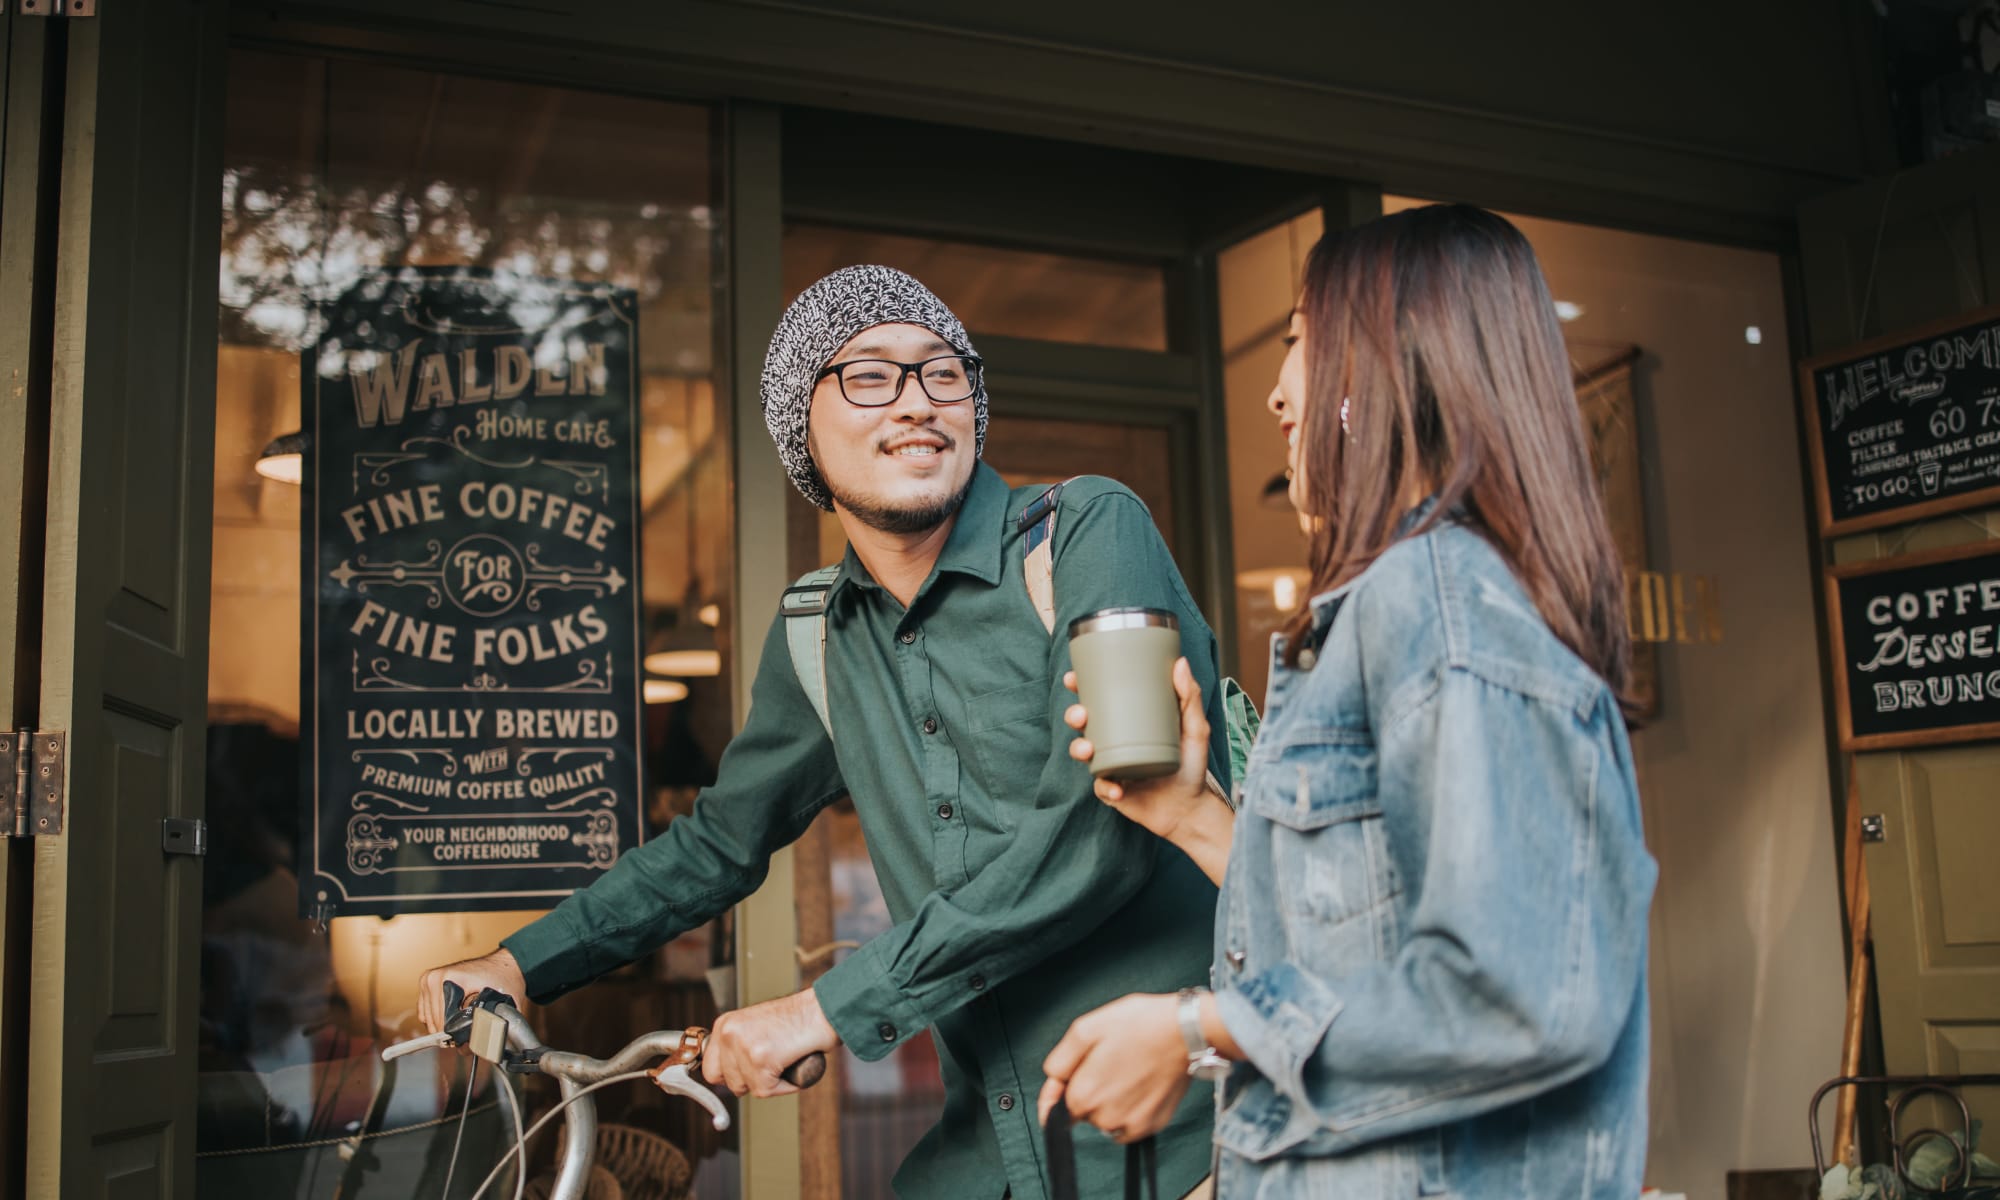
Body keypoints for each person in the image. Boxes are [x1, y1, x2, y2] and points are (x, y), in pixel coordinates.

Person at [417, 265, 1229, 1199]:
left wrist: (825, 1011)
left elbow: (1102, 831)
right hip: (988, 1150)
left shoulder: (1085, 531)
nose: (918, 403)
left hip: (1185, 1144)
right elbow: (719, 844)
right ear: (800, 428)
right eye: (870, 376)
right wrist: (520, 961)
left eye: (943, 373)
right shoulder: (815, 631)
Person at [1036, 205, 1657, 1199]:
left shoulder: (1437, 597)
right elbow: (1369, 934)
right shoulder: (1406, 603)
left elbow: (1521, 989)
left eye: (1297, 347)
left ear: (1374, 372)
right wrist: (1193, 816)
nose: (1278, 396)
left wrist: (1192, 1029)